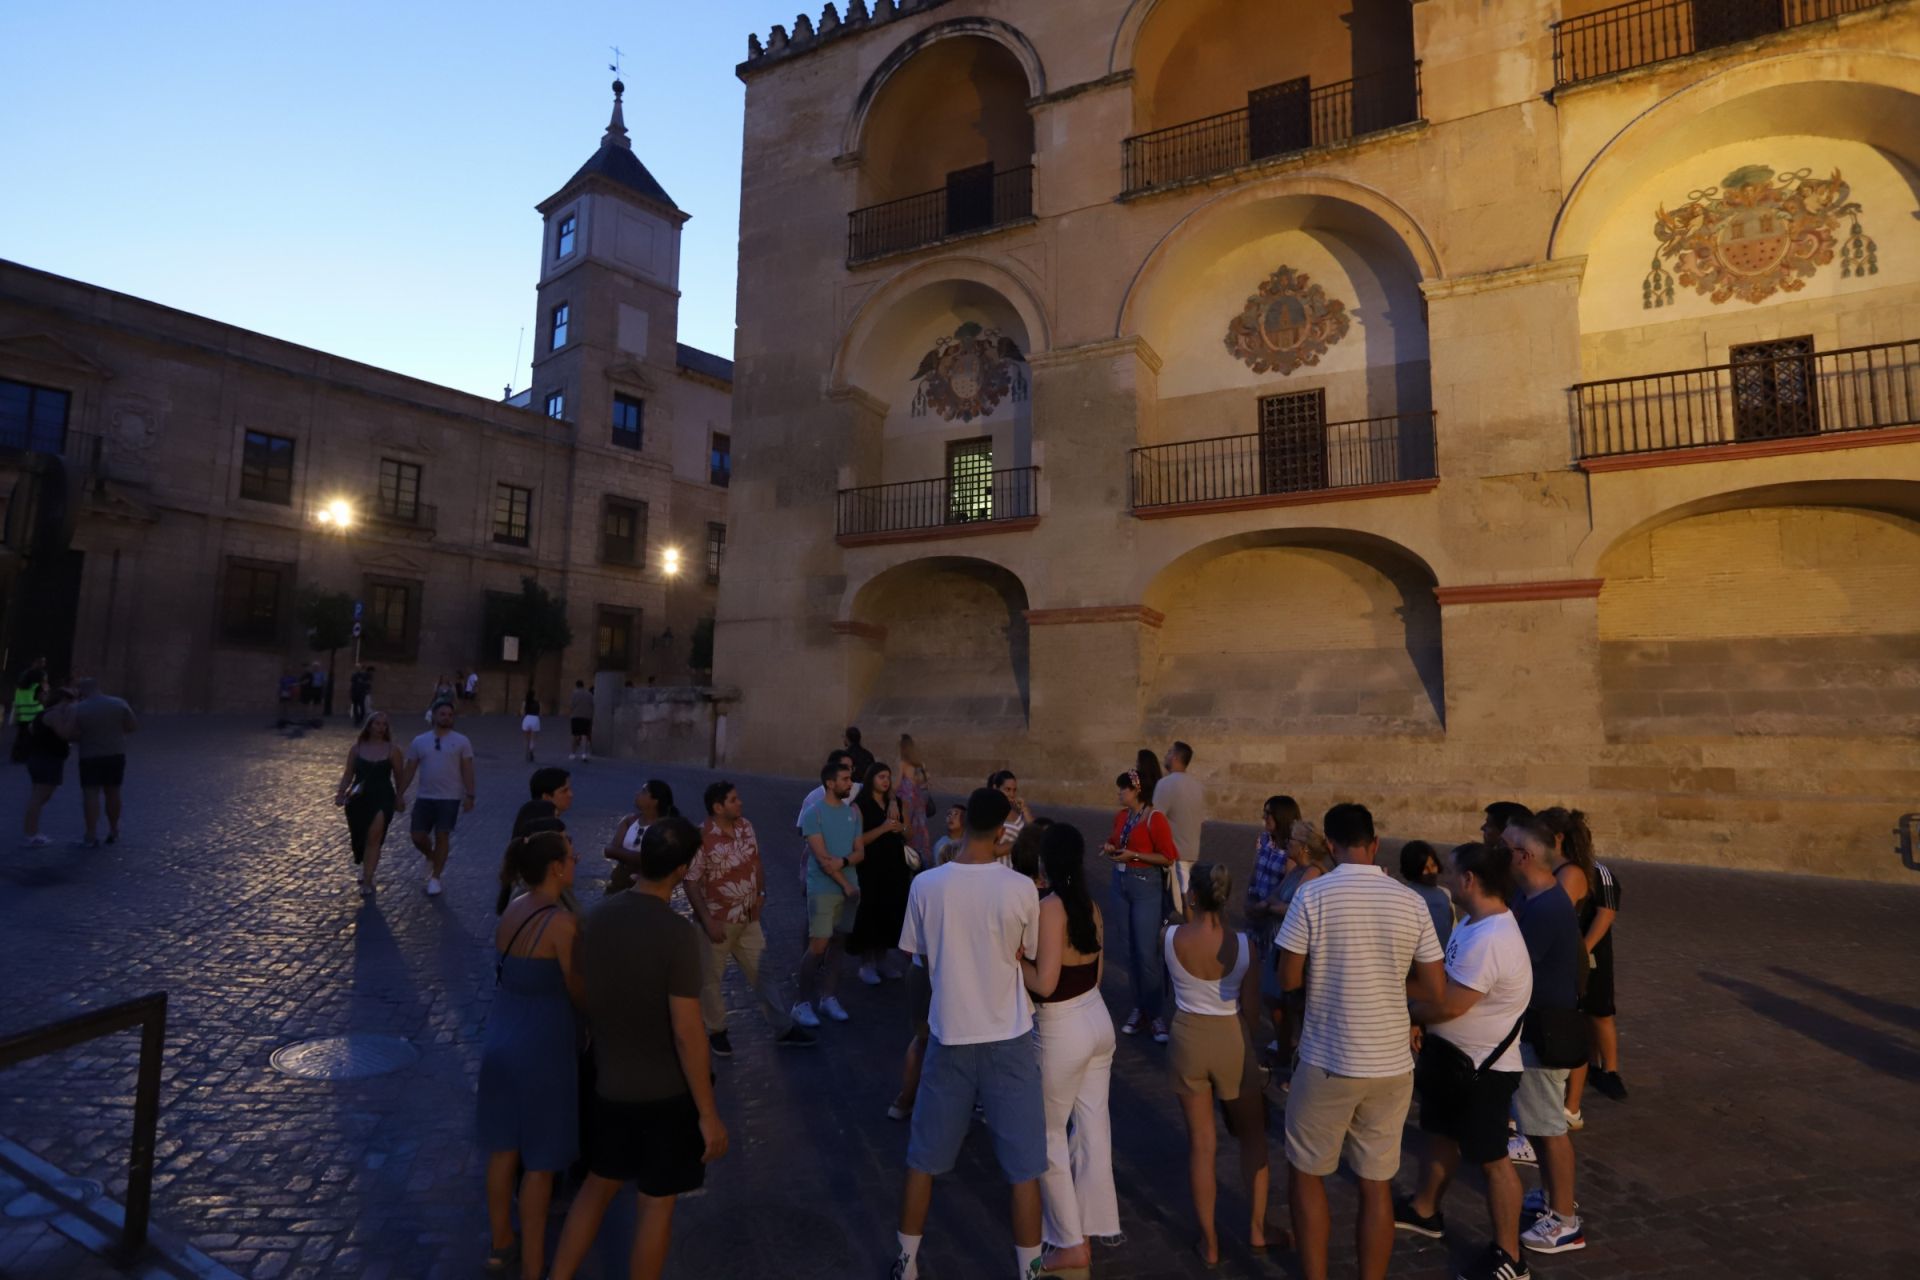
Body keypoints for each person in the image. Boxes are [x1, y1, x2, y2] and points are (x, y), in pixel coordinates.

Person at [549, 819, 728, 1280]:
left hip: (609, 1082)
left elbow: (583, 994)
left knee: (597, 1186)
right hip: (665, 1094)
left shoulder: (598, 916)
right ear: (683, 870)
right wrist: (708, 1114)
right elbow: (688, 1032)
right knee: (655, 1205)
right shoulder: (676, 934)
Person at [1276, 803, 1444, 1280]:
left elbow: (1289, 976)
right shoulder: (1410, 900)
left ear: (1329, 845)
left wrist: (1333, 976)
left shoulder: (1313, 895)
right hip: (1391, 1063)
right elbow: (1433, 988)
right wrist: (1386, 981)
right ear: (1374, 845)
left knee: (1307, 1174)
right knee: (1377, 1186)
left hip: (1327, 1058)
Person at [891, 787, 1046, 1280]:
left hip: (950, 1032)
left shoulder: (926, 885)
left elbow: (919, 959)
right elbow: (1028, 953)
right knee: (1024, 1170)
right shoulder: (1021, 889)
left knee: (923, 1159)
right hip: (1008, 1034)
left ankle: (906, 1263)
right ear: (1003, 830)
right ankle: (1031, 1271)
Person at [1397, 842, 1533, 1280]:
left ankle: (1510, 1256)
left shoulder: (1493, 938)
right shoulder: (1474, 921)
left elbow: (1452, 1004)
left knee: (1493, 1160)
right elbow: (1444, 989)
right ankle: (1425, 1209)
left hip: (1483, 1071)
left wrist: (1406, 1015)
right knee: (1439, 1134)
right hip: (1454, 1062)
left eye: (1453, 873)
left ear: (1470, 880)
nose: (1446, 878)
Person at [478, 831, 582, 1279]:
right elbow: (580, 990)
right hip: (542, 1048)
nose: (576, 860)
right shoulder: (561, 923)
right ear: (556, 868)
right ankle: (534, 1267)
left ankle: (501, 1244)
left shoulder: (514, 910)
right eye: (571, 856)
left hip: (500, 1040)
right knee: (539, 1164)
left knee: (503, 1151)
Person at [1019, 823, 1119, 1274]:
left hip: (1063, 1028)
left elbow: (1045, 983)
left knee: (1049, 1135)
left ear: (1046, 862)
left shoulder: (1050, 909)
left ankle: (1068, 1241)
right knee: (1094, 1128)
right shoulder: (1091, 907)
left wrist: (1014, 959)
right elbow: (1094, 976)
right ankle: (1091, 1224)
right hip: (1099, 1020)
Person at [1165, 863, 1272, 1267]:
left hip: (1187, 1036)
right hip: (1230, 1037)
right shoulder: (1243, 945)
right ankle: (1258, 1228)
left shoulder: (1171, 936)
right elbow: (1252, 1009)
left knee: (1201, 1144)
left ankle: (1209, 1243)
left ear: (1193, 895)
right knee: (1253, 1136)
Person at [1503, 816, 1590, 1256]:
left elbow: (1513, 968)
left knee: (1549, 1128)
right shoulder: (1533, 897)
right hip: (1539, 1026)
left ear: (1526, 855)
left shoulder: (1545, 907)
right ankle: (1555, 1198)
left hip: (1543, 1029)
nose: (1499, 853)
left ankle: (1565, 1220)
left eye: (1506, 847)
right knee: (1539, 1125)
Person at [684, 780, 815, 1053]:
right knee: (711, 978)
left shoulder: (746, 826)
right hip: (718, 921)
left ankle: (783, 1027)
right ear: (717, 807)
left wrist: (761, 894)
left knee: (763, 972)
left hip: (748, 918)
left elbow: (756, 862)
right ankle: (717, 1030)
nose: (740, 803)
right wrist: (707, 920)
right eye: (733, 800)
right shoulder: (701, 837)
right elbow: (691, 882)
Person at [1538, 807, 1625, 1117]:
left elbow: (1606, 913)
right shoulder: (1555, 870)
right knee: (1578, 1014)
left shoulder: (1595, 872)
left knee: (1599, 1011)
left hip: (1593, 954)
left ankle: (1609, 1071)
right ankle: (1583, 1070)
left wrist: (1584, 949)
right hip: (1574, 954)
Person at [1101, 765, 1177, 1043]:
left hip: (1146, 884)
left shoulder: (1154, 819)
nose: (1120, 793)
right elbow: (1113, 840)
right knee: (1129, 949)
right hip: (1121, 883)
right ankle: (1140, 1007)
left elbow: (1168, 856)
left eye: (1124, 788)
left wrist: (1135, 855)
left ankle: (1155, 1012)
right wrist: (1110, 848)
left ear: (1137, 791)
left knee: (1146, 952)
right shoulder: (1122, 816)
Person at [792, 759, 863, 1028]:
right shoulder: (814, 814)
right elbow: (822, 858)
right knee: (818, 946)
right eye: (845, 779)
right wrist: (845, 884)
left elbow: (859, 852)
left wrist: (844, 865)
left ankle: (829, 997)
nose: (850, 784)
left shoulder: (854, 812)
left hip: (850, 885)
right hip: (824, 889)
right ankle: (801, 1002)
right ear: (830, 784)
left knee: (838, 944)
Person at [397, 702, 475, 897]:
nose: (446, 717)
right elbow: (410, 768)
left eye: (450, 714)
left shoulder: (462, 741)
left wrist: (470, 794)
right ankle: (431, 857)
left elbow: (467, 769)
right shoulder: (419, 741)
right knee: (417, 835)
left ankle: (436, 878)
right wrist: (399, 793)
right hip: (425, 796)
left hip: (449, 797)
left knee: (442, 835)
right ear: (434, 716)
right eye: (442, 714)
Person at [850, 762, 913, 985]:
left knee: (890, 911)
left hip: (894, 866)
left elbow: (909, 831)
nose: (885, 781)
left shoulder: (894, 803)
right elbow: (858, 840)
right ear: (871, 779)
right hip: (871, 867)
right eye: (881, 777)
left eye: (888, 777)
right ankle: (867, 963)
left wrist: (900, 828)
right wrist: (884, 828)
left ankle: (883, 959)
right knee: (870, 912)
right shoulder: (861, 805)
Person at [335, 711, 404, 897]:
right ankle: (365, 866)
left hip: (382, 797)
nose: (381, 728)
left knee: (375, 836)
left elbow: (399, 776)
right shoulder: (356, 749)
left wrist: (400, 797)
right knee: (360, 837)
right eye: (377, 724)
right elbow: (348, 774)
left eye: (384, 724)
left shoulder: (393, 750)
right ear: (370, 726)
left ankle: (367, 879)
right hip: (358, 799)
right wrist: (341, 793)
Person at [71, 677, 137, 848]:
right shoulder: (119, 703)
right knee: (113, 792)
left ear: (82, 691)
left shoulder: (78, 708)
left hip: (89, 755)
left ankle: (91, 833)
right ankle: (114, 829)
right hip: (115, 753)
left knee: (90, 793)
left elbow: (72, 733)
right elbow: (132, 726)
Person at [1155, 741, 1205, 915]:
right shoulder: (1197, 786)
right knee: (1187, 903)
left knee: (1179, 908)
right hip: (1192, 851)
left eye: (1169, 752)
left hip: (1174, 855)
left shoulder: (1166, 784)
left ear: (1175, 757)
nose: (1166, 755)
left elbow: (1155, 819)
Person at [1244, 795, 1302, 941]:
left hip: (1275, 920)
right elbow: (1254, 875)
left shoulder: (1292, 850)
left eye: (1268, 813)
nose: (1264, 817)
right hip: (1256, 914)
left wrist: (1265, 906)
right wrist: (1249, 902)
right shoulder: (1264, 839)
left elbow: (1287, 889)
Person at [21, 685, 73, 848]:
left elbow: (31, 730)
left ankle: (31, 830)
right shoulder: (55, 715)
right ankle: (31, 833)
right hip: (47, 760)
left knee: (41, 796)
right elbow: (66, 734)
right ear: (64, 700)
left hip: (38, 758)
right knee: (39, 797)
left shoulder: (43, 714)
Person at [606, 780, 676, 897]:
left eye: (643, 791)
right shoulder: (629, 821)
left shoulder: (665, 828)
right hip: (620, 883)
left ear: (655, 801)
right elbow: (609, 850)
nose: (637, 794)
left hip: (649, 889)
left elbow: (656, 861)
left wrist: (622, 855)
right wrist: (640, 858)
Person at [1401, 840, 1455, 950]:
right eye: (1425, 868)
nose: (1431, 872)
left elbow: (1451, 925)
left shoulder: (1444, 893)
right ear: (1413, 870)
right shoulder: (1408, 895)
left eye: (1433, 865)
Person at [896, 733, 933, 867]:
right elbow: (927, 782)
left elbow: (898, 783)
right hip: (919, 800)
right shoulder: (920, 764)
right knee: (921, 829)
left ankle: (909, 857)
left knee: (907, 829)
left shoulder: (903, 764)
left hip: (907, 800)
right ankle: (922, 858)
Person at [989, 768, 1032, 849]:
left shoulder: (1018, 810)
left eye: (1014, 790)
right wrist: (1023, 841)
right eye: (1007, 789)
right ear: (995, 788)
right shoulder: (990, 813)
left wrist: (1025, 809)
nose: (1012, 794)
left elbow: (1034, 832)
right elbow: (990, 848)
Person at [567, 680, 594, 762]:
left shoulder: (574, 694)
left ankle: (572, 753)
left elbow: (571, 705)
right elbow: (592, 705)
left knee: (574, 735)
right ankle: (584, 754)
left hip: (576, 716)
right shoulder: (589, 694)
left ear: (576, 685)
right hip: (586, 717)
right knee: (584, 735)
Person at [520, 689, 541, 763]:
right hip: (535, 719)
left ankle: (526, 752)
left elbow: (522, 712)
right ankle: (531, 751)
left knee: (527, 739)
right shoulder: (537, 703)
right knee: (533, 739)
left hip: (527, 719)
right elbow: (539, 712)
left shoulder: (525, 703)